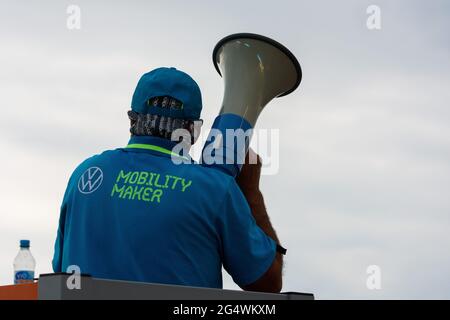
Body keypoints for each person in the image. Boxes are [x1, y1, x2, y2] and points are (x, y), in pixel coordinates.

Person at [52, 67, 285, 292]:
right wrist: (251, 191)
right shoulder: (213, 188)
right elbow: (268, 282)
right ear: (193, 131)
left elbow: (60, 268)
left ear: (132, 120)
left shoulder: (86, 174)